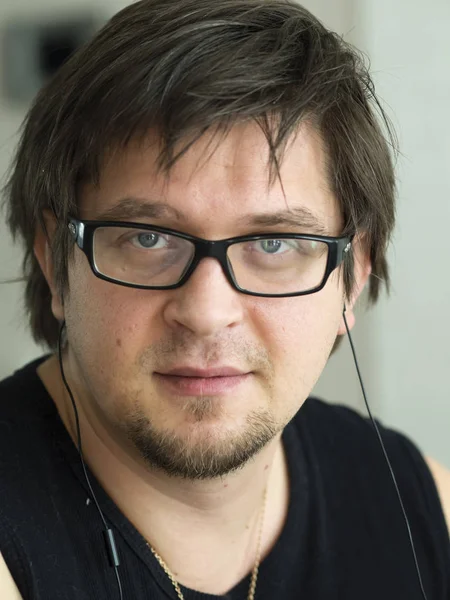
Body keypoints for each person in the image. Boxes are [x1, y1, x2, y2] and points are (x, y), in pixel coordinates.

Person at [1, 0, 449, 598]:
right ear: (56, 263)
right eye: (148, 237)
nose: (207, 311)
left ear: (353, 275)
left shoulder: (419, 504)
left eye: (273, 241)